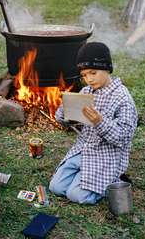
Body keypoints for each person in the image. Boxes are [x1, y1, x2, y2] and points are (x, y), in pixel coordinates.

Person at [49, 42, 138, 205]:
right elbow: (63, 121)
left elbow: (123, 138)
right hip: (84, 149)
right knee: (56, 187)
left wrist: (100, 122)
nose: (89, 79)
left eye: (93, 73)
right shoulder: (86, 92)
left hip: (106, 155)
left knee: (77, 196)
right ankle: (83, 176)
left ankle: (109, 181)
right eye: (84, 75)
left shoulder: (123, 99)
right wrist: (66, 111)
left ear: (107, 68)